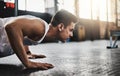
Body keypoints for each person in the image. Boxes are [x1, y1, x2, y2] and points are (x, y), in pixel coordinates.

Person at [0, 9, 78, 70]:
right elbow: (11, 27)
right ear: (61, 26)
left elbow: (23, 34)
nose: (72, 35)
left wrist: (27, 52)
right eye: (71, 30)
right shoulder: (40, 27)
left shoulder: (41, 31)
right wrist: (27, 63)